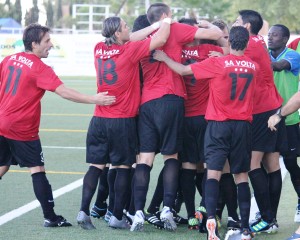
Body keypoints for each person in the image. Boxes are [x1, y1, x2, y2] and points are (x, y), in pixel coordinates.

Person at [0, 23, 116, 227]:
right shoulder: (39, 68)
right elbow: (64, 91)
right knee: (37, 169)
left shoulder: (8, 60)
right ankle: (50, 217)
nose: (50, 45)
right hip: (21, 127)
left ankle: (50, 216)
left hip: (2, 122)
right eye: (46, 41)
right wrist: (93, 99)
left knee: (2, 165)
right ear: (34, 44)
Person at [153, 25, 257, 240]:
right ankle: (245, 228)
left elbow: (182, 71)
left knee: (213, 173)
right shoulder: (253, 66)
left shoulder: (217, 63)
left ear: (229, 42)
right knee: (241, 176)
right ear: (246, 43)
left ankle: (210, 219)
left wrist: (163, 58)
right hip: (242, 126)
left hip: (218, 124)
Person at [130, 2, 223, 232]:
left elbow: (129, 40)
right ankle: (167, 208)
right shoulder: (176, 29)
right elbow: (216, 34)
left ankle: (139, 212)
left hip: (148, 102)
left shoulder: (141, 37)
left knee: (145, 159)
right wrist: (206, 25)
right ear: (165, 16)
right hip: (172, 99)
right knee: (171, 157)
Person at [76, 15, 171, 230]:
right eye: (125, 27)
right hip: (121, 120)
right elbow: (161, 39)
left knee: (96, 166)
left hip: (98, 118)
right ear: (118, 33)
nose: (128, 28)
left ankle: (83, 210)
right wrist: (165, 21)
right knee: (123, 166)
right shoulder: (129, 51)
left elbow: (129, 37)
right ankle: (117, 216)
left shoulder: (98, 47)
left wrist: (152, 25)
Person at [233, 10, 285, 234]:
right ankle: (269, 217)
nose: (233, 24)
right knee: (271, 164)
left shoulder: (251, 44)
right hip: (271, 106)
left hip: (262, 110)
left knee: (254, 164)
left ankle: (268, 217)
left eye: (236, 21)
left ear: (245, 27)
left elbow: (228, 52)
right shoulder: (256, 41)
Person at [268, 24, 300, 223]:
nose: (270, 38)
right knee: (268, 166)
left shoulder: (293, 56)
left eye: (275, 35)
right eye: (269, 35)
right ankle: (269, 216)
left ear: (285, 38)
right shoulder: (264, 54)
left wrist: (254, 56)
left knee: (289, 162)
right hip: (266, 119)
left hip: (288, 118)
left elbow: (278, 66)